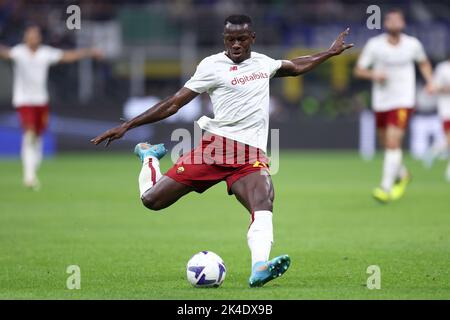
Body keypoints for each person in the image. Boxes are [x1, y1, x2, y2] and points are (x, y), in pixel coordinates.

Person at [92, 15, 353, 287]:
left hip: (250, 156)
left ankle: (259, 267)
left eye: (241, 39)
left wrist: (329, 53)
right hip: (215, 149)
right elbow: (173, 104)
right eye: (230, 40)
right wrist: (129, 126)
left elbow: (295, 66)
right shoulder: (211, 66)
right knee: (152, 201)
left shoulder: (263, 63)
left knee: (263, 202)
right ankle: (148, 157)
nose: (236, 45)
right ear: (224, 40)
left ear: (252, 38)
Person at [0, 25, 102, 190]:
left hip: (41, 101)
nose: (32, 38)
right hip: (24, 101)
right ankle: (29, 175)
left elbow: (67, 56)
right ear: (25, 37)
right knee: (29, 133)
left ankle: (32, 172)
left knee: (38, 137)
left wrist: (89, 52)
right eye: (29, 35)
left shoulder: (45, 53)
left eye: (35, 35)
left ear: (39, 38)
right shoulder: (19, 52)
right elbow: (4, 52)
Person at [354, 9, 434, 203]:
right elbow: (359, 70)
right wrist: (374, 75)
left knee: (392, 142)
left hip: (403, 100)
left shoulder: (412, 44)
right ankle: (403, 174)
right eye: (391, 20)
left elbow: (423, 63)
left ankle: (385, 188)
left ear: (403, 24)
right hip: (381, 101)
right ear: (386, 23)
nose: (395, 23)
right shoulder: (375, 45)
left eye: (398, 20)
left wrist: (430, 81)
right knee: (386, 144)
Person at [426, 58, 450, 181]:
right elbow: (431, 87)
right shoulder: (442, 68)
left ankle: (434, 151)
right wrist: (445, 88)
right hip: (446, 110)